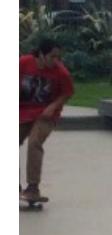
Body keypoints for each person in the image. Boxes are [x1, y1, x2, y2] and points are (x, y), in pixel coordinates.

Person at [20, 37, 74, 204]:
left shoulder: (61, 72)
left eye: (58, 57)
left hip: (46, 115)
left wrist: (54, 106)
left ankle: (33, 187)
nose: (55, 61)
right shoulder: (23, 63)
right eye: (52, 56)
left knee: (34, 142)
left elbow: (68, 92)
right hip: (23, 112)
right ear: (41, 55)